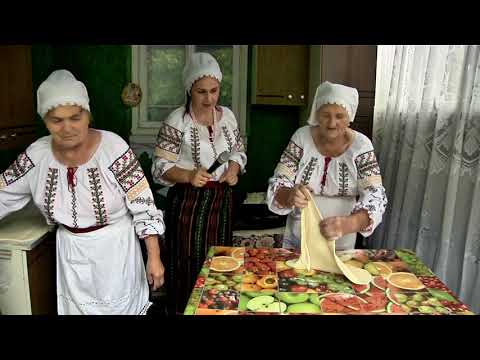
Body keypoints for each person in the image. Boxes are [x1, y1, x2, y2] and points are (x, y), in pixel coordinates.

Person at [0, 70, 165, 315]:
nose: (67, 127)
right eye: (56, 120)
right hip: (71, 254)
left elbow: (144, 206)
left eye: (75, 117)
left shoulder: (114, 148)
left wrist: (154, 257)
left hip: (116, 252)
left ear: (87, 114)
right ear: (45, 120)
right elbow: (3, 193)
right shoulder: (37, 155)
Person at [152, 53, 247, 312]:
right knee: (188, 264)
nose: (209, 99)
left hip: (222, 201)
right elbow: (159, 167)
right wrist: (188, 175)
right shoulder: (177, 121)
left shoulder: (227, 117)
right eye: (201, 92)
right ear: (189, 90)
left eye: (214, 91)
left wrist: (234, 170)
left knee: (220, 262)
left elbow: (238, 151)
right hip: (188, 205)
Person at [267, 81, 387, 252]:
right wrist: (289, 195)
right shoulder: (301, 138)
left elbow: (376, 194)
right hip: (299, 236)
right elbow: (280, 180)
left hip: (342, 239)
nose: (332, 123)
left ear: (350, 116)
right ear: (316, 114)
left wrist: (350, 223)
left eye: (339, 116)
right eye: (325, 115)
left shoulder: (361, 146)